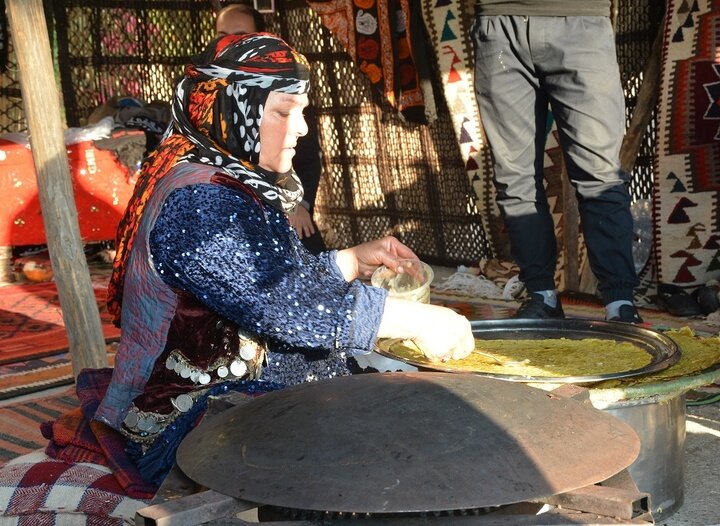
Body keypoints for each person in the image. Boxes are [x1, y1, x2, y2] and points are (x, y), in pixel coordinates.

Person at [38, 33, 473, 494]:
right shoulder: (200, 202)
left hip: (239, 400)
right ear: (232, 111)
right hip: (193, 423)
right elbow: (278, 302)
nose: (302, 128)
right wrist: (413, 319)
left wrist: (348, 262)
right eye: (284, 111)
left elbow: (267, 279)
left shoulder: (223, 175)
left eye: (301, 111)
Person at [470, 2, 644, 323]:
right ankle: (541, 296)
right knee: (514, 176)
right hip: (498, 23)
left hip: (580, 20)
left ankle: (619, 302)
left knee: (599, 175)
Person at [216, 3, 327, 254]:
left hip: (280, 205)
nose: (231, 42)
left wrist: (300, 205)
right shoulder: (205, 91)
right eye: (222, 35)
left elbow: (308, 160)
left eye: (241, 35)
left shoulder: (286, 85)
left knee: (313, 272)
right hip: (221, 206)